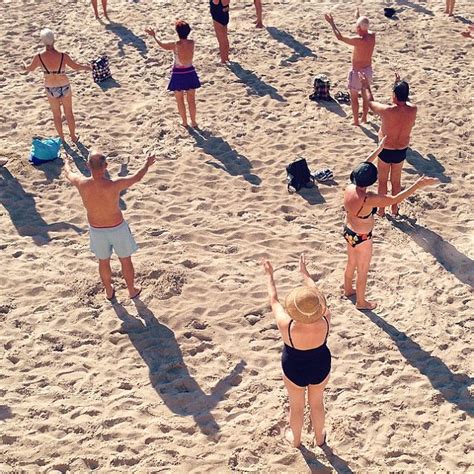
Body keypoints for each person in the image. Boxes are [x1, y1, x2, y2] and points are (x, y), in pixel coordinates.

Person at [343, 138, 438, 310]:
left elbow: (364, 164)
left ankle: (348, 290)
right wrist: (417, 185)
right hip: (363, 237)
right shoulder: (368, 199)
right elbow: (395, 199)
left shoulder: (350, 187)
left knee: (351, 263)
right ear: (371, 181)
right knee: (363, 269)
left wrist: (378, 150)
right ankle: (361, 302)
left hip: (348, 230)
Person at [63, 150, 155, 300]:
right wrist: (147, 164)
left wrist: (66, 162)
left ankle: (108, 290)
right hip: (117, 227)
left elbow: (68, 173)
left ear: (87, 166)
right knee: (125, 260)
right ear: (106, 166)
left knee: (103, 261)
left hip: (97, 230)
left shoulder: (81, 183)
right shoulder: (114, 184)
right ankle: (131, 290)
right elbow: (137, 177)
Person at [262, 254, 331, 448]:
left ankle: (297, 441)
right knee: (317, 403)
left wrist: (270, 275)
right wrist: (305, 274)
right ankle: (319, 439)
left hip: (294, 366)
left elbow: (273, 299)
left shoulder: (286, 324)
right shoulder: (326, 317)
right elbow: (318, 294)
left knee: (296, 406)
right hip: (320, 364)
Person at [359, 72, 417, 216]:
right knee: (396, 181)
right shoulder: (413, 110)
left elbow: (371, 102)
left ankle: (381, 210)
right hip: (401, 150)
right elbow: (404, 103)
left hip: (386, 149)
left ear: (394, 96)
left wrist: (366, 86)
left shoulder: (387, 110)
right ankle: (394, 209)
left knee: (383, 181)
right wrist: (397, 84)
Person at [22, 29, 91, 143]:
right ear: (54, 40)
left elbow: (29, 69)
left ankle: (62, 139)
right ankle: (73, 137)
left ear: (43, 42)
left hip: (50, 86)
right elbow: (76, 67)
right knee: (68, 112)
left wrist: (24, 66)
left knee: (56, 114)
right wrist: (87, 67)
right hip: (64, 84)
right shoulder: (63, 56)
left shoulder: (39, 57)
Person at [145, 21, 201, 128]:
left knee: (180, 100)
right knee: (191, 100)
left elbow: (162, 45)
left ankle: (184, 122)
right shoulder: (192, 43)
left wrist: (154, 36)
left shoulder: (175, 45)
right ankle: (193, 122)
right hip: (190, 72)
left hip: (178, 74)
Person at [325, 10, 375, 125]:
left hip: (357, 71)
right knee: (365, 94)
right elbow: (364, 28)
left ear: (358, 28)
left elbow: (340, 37)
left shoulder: (358, 41)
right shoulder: (372, 36)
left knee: (354, 97)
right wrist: (358, 17)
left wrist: (332, 23)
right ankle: (365, 118)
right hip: (367, 70)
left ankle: (356, 121)